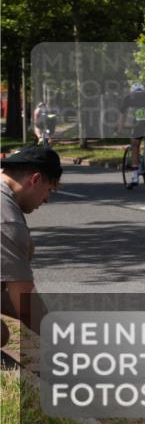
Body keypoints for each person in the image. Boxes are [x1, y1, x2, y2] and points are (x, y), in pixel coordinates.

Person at [1, 146, 62, 351]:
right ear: (35, 179)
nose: (46, 199)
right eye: (49, 190)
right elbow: (25, 302)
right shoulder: (7, 221)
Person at [118, 82, 145, 188]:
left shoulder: (129, 97)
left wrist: (120, 129)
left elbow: (122, 115)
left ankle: (134, 176)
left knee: (135, 145)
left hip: (137, 123)